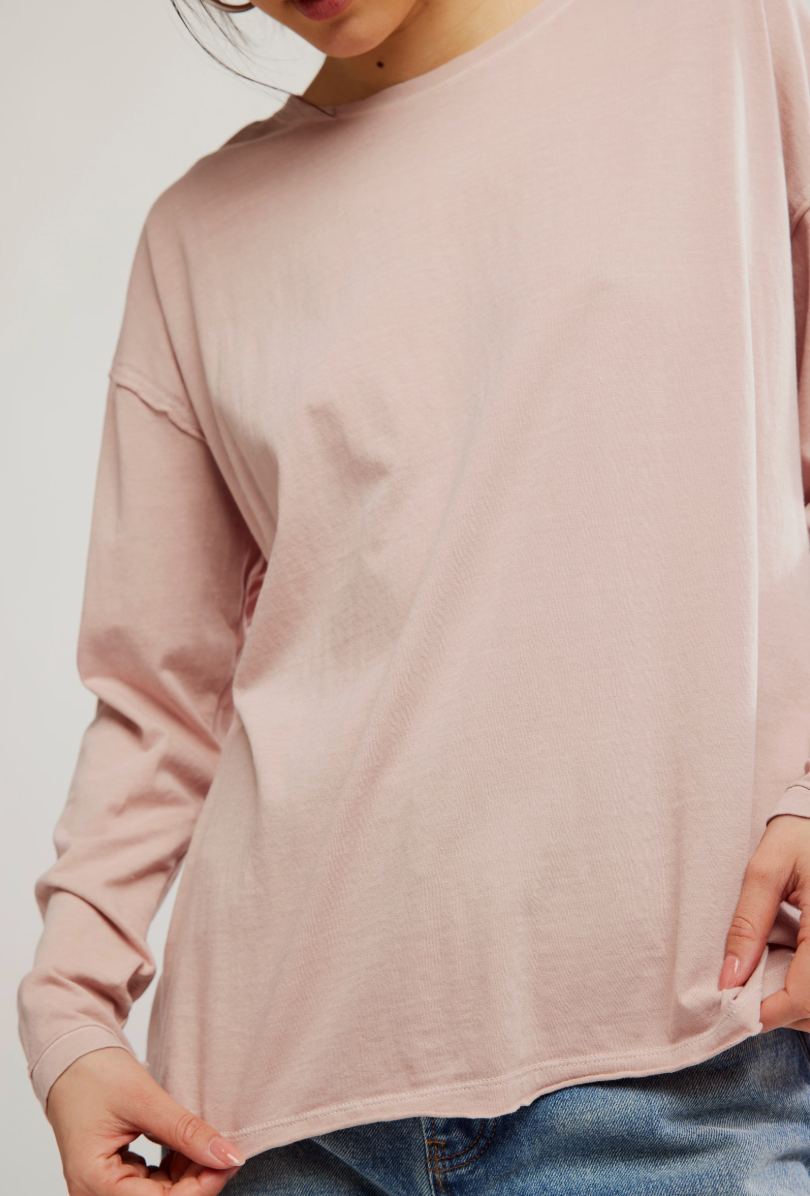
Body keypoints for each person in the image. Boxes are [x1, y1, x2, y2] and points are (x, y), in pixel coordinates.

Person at [17, 0, 810, 1190]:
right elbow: (156, 701)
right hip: (277, 1120)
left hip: (680, 1075)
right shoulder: (199, 235)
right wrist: (69, 1017)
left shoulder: (721, 36)